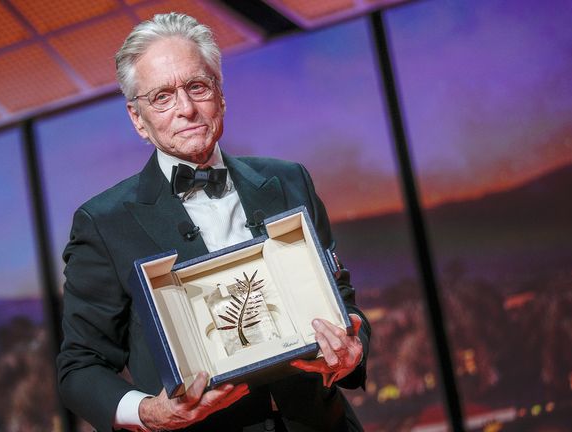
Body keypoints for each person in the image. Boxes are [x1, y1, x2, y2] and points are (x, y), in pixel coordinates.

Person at [57, 12, 370, 432]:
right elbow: (79, 368)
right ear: (138, 119)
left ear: (221, 96)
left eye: (197, 87)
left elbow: (344, 304)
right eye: (162, 97)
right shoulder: (103, 223)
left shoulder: (289, 181)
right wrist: (151, 413)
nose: (186, 108)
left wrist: (354, 348)